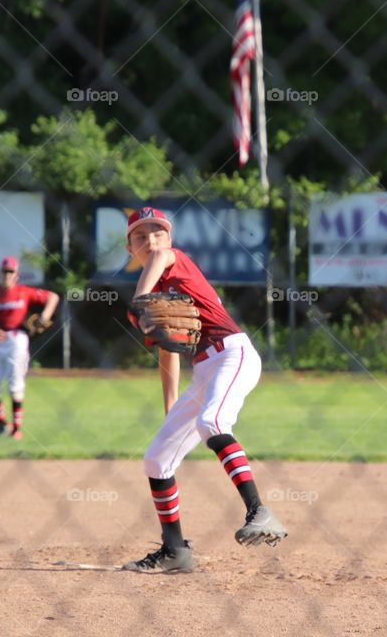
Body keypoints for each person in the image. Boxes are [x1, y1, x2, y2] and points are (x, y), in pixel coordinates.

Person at [122, 207, 287, 573]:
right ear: (129, 247)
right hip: (204, 371)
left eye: (157, 232)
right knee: (157, 458)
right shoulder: (164, 297)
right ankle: (175, 550)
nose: (150, 240)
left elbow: (160, 260)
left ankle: (260, 512)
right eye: (140, 236)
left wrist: (140, 299)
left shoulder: (173, 260)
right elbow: (171, 349)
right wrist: (171, 407)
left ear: (169, 239)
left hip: (234, 354)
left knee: (212, 421)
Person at [0, 256, 59, 440]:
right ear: (0, 273)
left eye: (11, 271)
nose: (7, 275)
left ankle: (16, 429)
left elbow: (53, 297)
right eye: (5, 271)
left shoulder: (24, 291)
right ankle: (3, 425)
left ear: (16, 275)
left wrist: (44, 317)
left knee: (15, 386)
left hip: (17, 339)